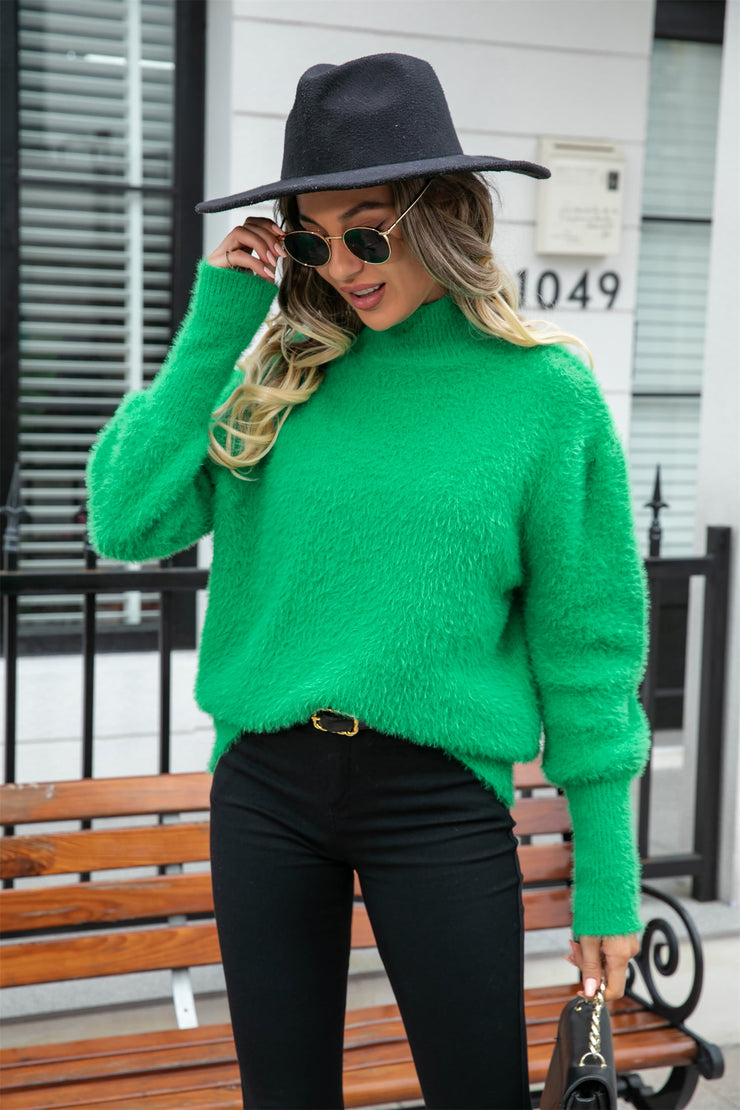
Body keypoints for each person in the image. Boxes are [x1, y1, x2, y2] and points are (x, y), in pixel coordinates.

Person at [86, 53, 650, 1110]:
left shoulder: (543, 395)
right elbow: (125, 519)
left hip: (437, 796)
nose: (341, 263)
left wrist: (607, 879)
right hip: (264, 788)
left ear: (444, 216)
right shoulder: (277, 376)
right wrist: (217, 326)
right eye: (310, 236)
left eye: (368, 230)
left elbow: (588, 646)